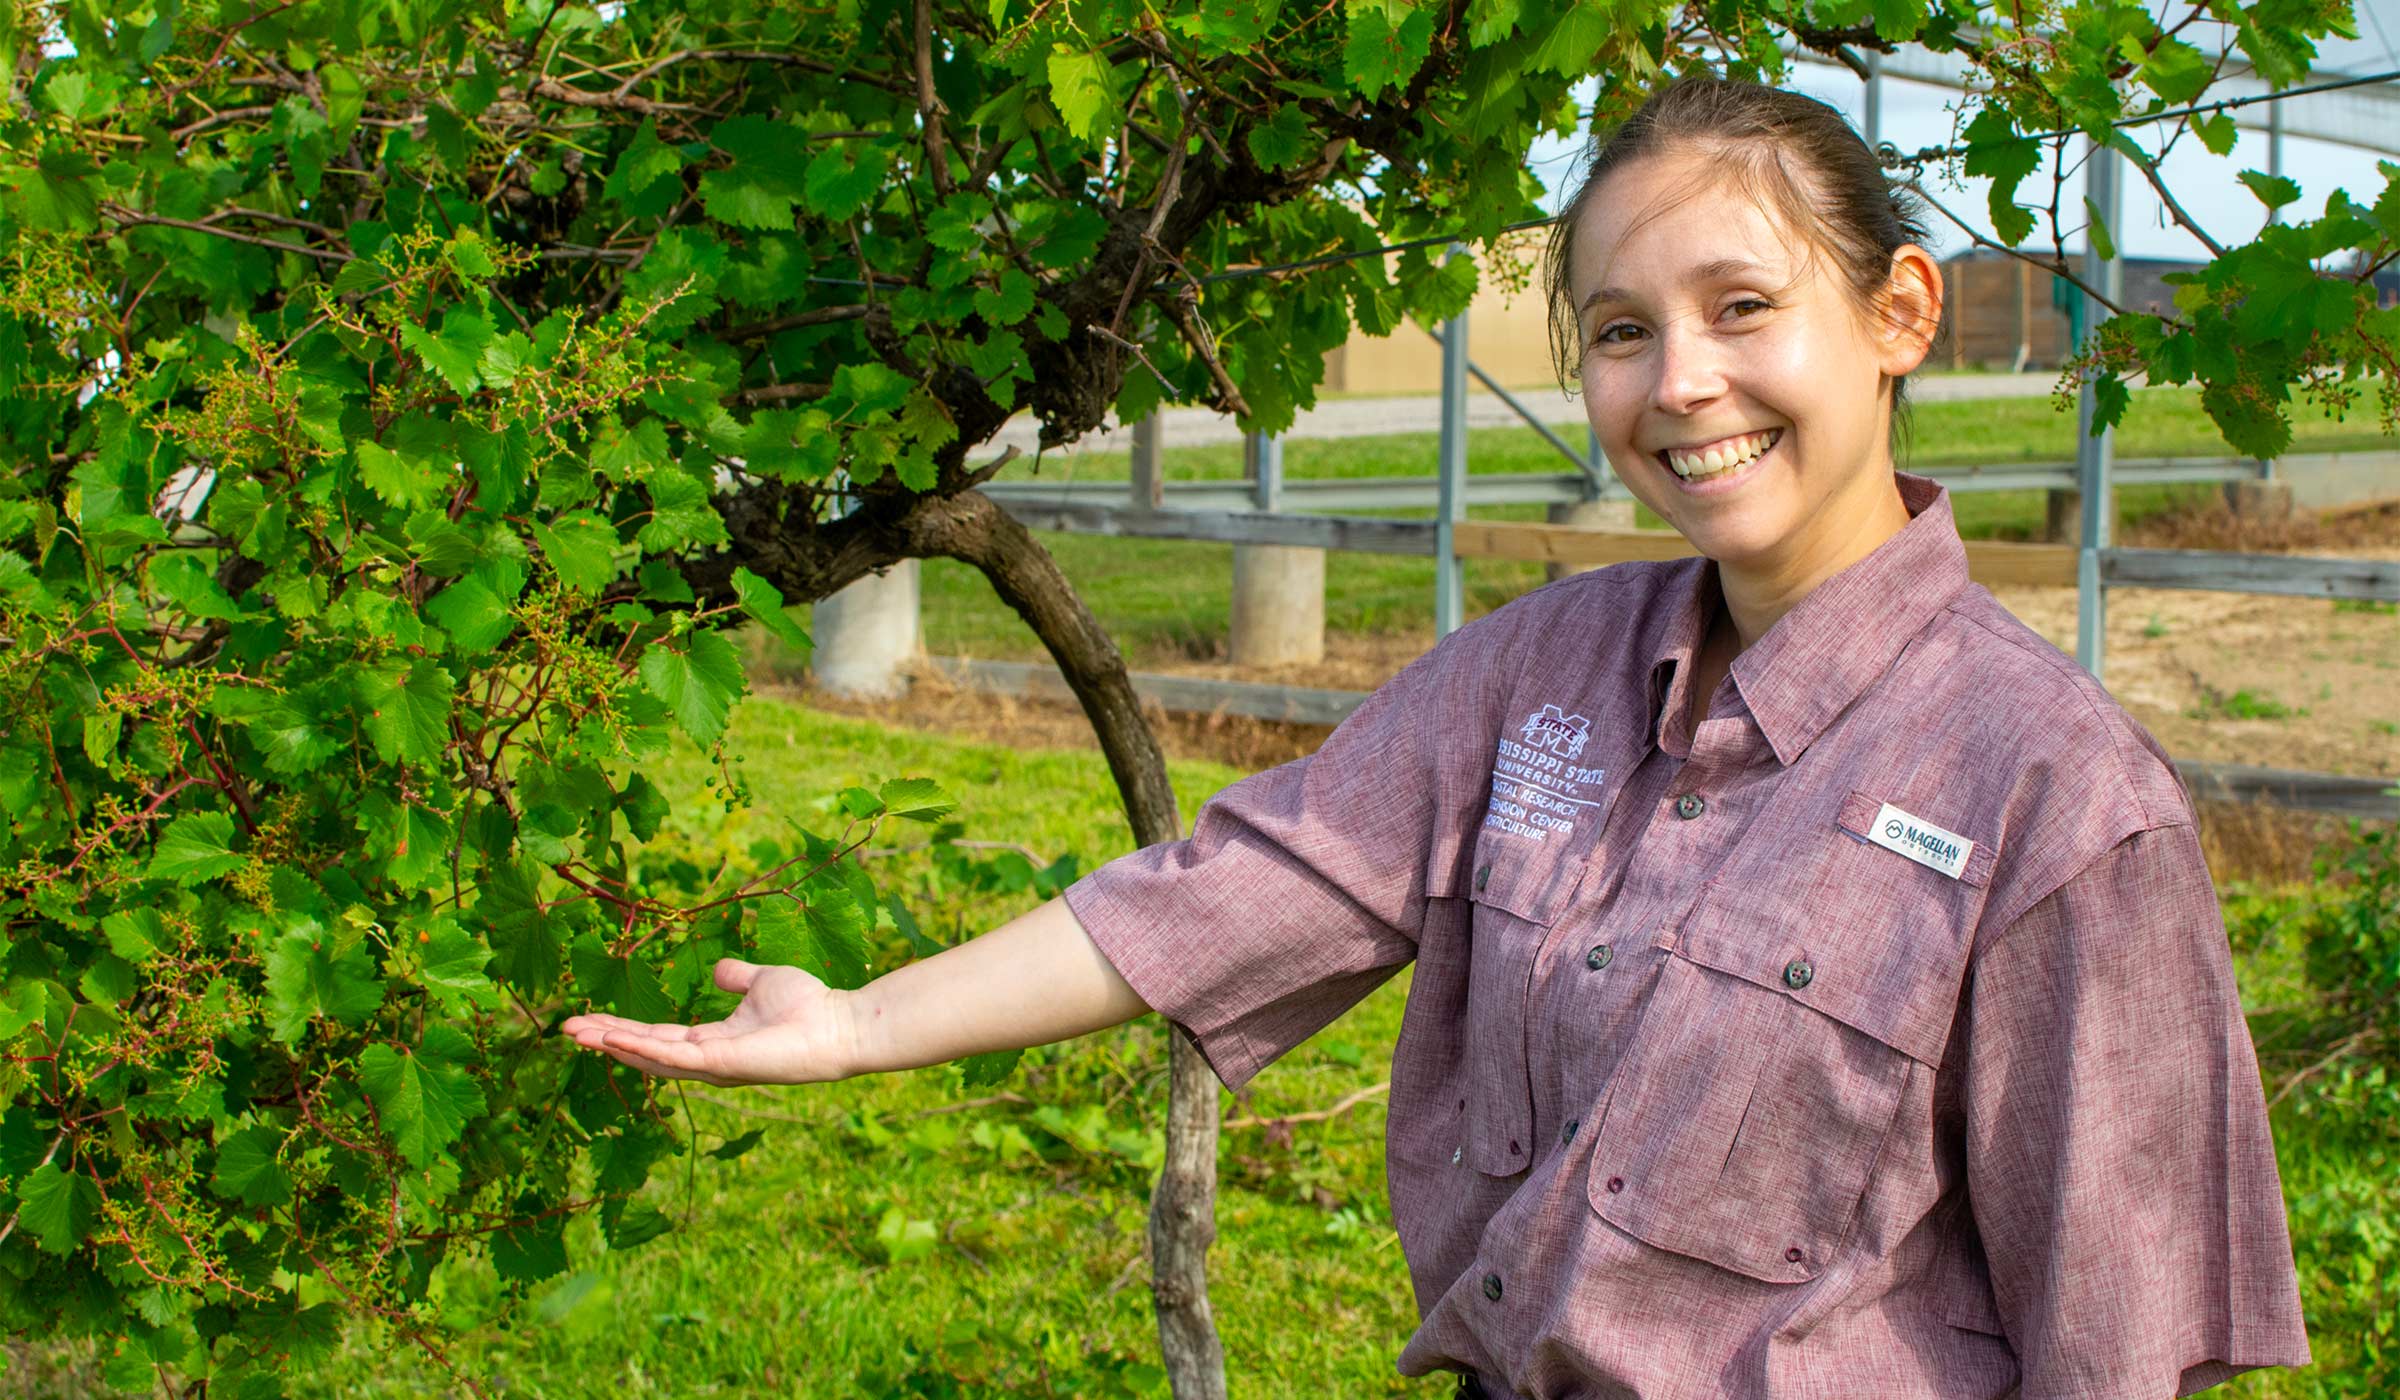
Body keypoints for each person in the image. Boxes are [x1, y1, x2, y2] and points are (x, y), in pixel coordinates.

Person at [563, 77, 2311, 1399]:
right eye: (1623, 335)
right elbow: (1236, 887)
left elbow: (2124, 1328)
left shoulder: (2058, 796)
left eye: (1743, 309)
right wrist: (858, 1023)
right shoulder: (1540, 674)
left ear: (1900, 317)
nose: (1678, 384)